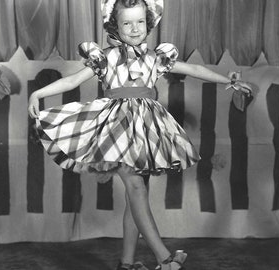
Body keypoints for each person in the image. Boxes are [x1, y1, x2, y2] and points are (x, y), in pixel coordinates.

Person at [28, 0, 252, 269]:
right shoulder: (106, 58)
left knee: (136, 193)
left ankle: (127, 263)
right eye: (126, 23)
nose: (134, 29)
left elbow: (194, 70)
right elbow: (73, 80)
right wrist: (38, 93)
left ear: (149, 24)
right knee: (135, 187)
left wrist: (230, 80)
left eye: (140, 22)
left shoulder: (156, 58)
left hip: (146, 131)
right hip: (115, 129)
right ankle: (164, 257)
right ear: (114, 25)